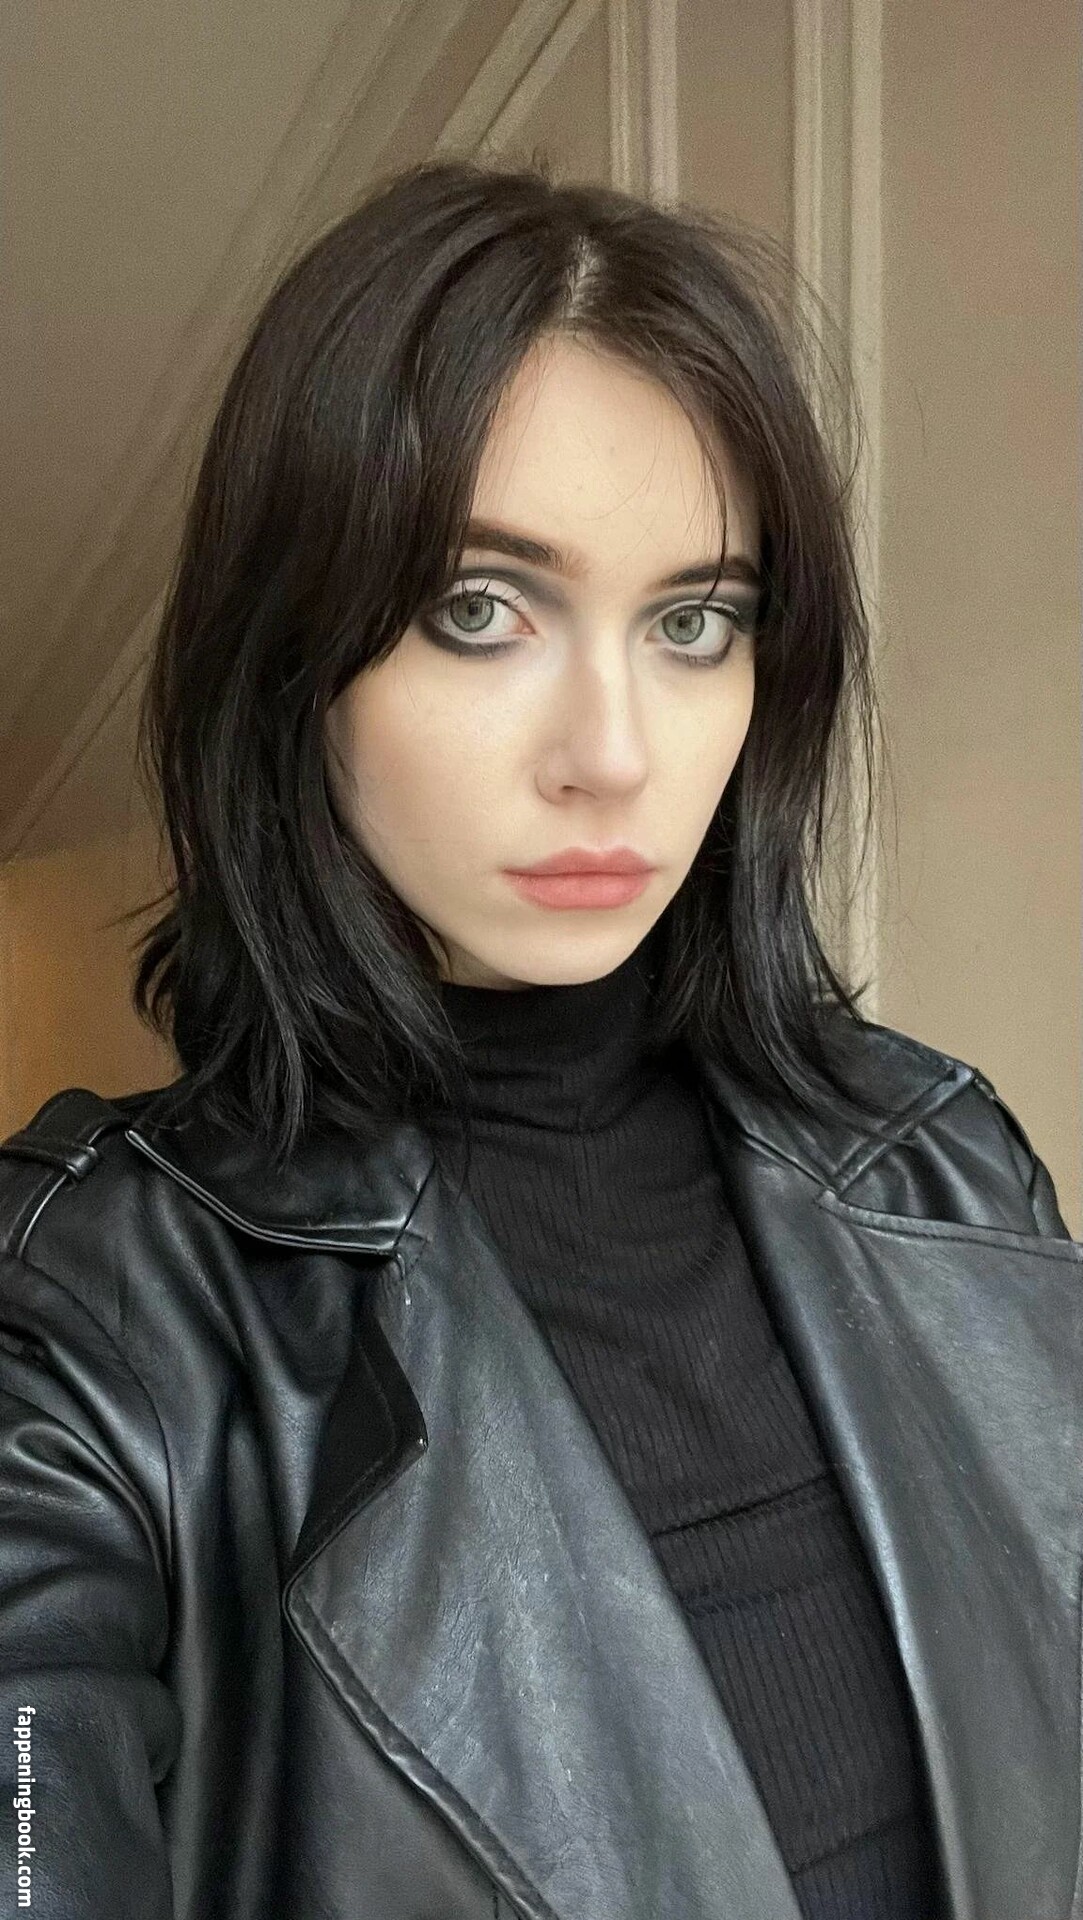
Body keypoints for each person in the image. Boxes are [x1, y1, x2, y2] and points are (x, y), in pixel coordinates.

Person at [0, 155, 1079, 1920]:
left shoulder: (944, 1161)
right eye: (479, 610)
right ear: (293, 662)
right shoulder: (91, 1317)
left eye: (694, 621)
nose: (614, 753)